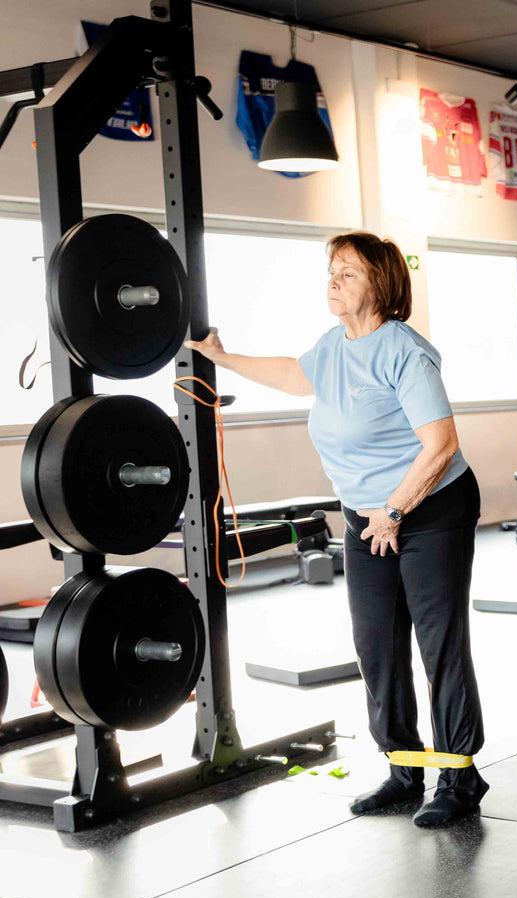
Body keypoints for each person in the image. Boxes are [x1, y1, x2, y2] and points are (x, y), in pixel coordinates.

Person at [184, 231, 486, 827]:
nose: (333, 280)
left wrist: (395, 509)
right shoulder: (334, 346)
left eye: (347, 272)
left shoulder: (404, 351)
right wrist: (222, 357)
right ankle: (404, 769)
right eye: (331, 270)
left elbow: (442, 445)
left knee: (438, 641)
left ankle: (459, 777)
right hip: (366, 518)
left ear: (381, 283)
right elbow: (294, 374)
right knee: (376, 644)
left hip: (431, 511)